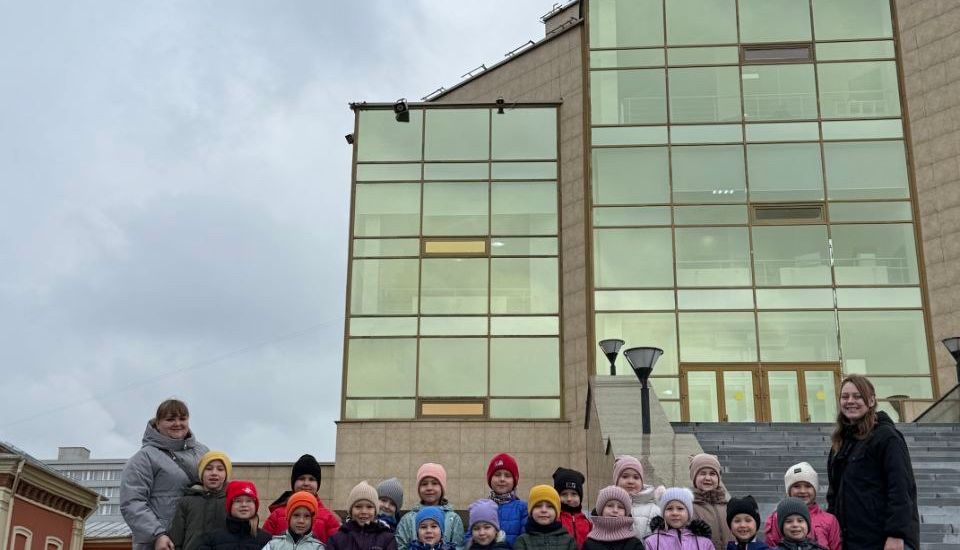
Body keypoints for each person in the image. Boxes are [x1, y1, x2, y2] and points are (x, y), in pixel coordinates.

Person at [826, 374, 919, 550]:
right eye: (845, 397)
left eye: (857, 396)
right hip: (852, 542)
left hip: (883, 541)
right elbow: (834, 496)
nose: (850, 401)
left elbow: (900, 488)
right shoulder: (839, 444)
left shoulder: (886, 437)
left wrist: (896, 534)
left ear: (871, 400)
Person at [121, 399, 209, 550]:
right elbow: (132, 502)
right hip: (164, 542)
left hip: (199, 539)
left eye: (182, 418)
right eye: (170, 419)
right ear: (158, 423)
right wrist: (157, 535)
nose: (177, 423)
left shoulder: (202, 451)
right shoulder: (144, 458)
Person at [263, 454, 341, 542]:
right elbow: (263, 544)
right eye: (301, 478)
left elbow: (338, 545)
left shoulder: (329, 518)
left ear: (318, 484)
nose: (306, 483)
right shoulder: (276, 515)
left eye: (311, 479)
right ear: (293, 482)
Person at [762, 463, 839, 550]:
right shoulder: (776, 518)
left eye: (808, 486)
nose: (802, 491)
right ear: (789, 490)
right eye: (796, 486)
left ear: (815, 489)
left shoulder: (829, 520)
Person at [169, 450, 231, 550]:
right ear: (201, 473)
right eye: (209, 469)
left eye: (220, 469)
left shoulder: (232, 501)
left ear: (226, 474)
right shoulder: (186, 501)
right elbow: (176, 539)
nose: (214, 473)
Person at [396, 463, 465, 550]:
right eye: (424, 484)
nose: (429, 488)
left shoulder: (454, 519)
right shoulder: (407, 519)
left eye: (434, 483)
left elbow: (459, 547)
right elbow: (400, 546)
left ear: (442, 487)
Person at [197, 480, 272, 550]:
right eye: (238, 501)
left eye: (249, 500)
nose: (244, 505)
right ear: (230, 506)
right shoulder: (212, 539)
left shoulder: (267, 540)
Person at [473, 454, 527, 546]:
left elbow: (525, 541)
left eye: (507, 475)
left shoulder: (523, 508)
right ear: (490, 479)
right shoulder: (481, 507)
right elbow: (469, 537)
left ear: (514, 481)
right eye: (497, 475)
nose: (502, 479)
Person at [327, 481, 397, 550]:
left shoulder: (388, 539)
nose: (364, 511)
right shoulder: (336, 540)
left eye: (369, 507)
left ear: (375, 511)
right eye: (358, 506)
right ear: (351, 511)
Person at [642, 488, 712, 550]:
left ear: (688, 513)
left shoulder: (704, 542)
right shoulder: (652, 542)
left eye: (680, 508)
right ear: (663, 513)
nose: (675, 513)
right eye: (669, 508)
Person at [612, 456, 662, 539]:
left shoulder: (655, 511)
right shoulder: (608, 508)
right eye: (625, 476)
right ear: (616, 480)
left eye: (636, 477)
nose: (631, 481)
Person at [513, 485, 576, 550]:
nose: (544, 510)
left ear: (556, 511)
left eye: (550, 506)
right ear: (531, 511)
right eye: (538, 506)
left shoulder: (569, 540)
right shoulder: (522, 540)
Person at [689, 454, 731, 550]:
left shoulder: (728, 506)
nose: (707, 478)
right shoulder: (688, 507)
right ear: (694, 478)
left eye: (712, 474)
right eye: (702, 473)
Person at [553, 467, 591, 549]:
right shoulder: (554, 520)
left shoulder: (588, 523)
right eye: (564, 494)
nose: (569, 499)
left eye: (574, 494)